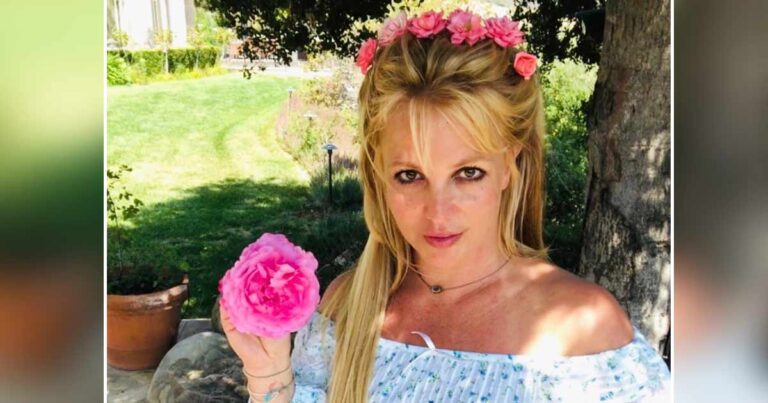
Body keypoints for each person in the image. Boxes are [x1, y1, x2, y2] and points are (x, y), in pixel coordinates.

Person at [221, 9, 671, 403]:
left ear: (509, 165)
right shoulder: (345, 308)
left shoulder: (586, 334)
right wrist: (267, 374)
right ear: (378, 173)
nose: (438, 212)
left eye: (468, 173)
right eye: (409, 175)